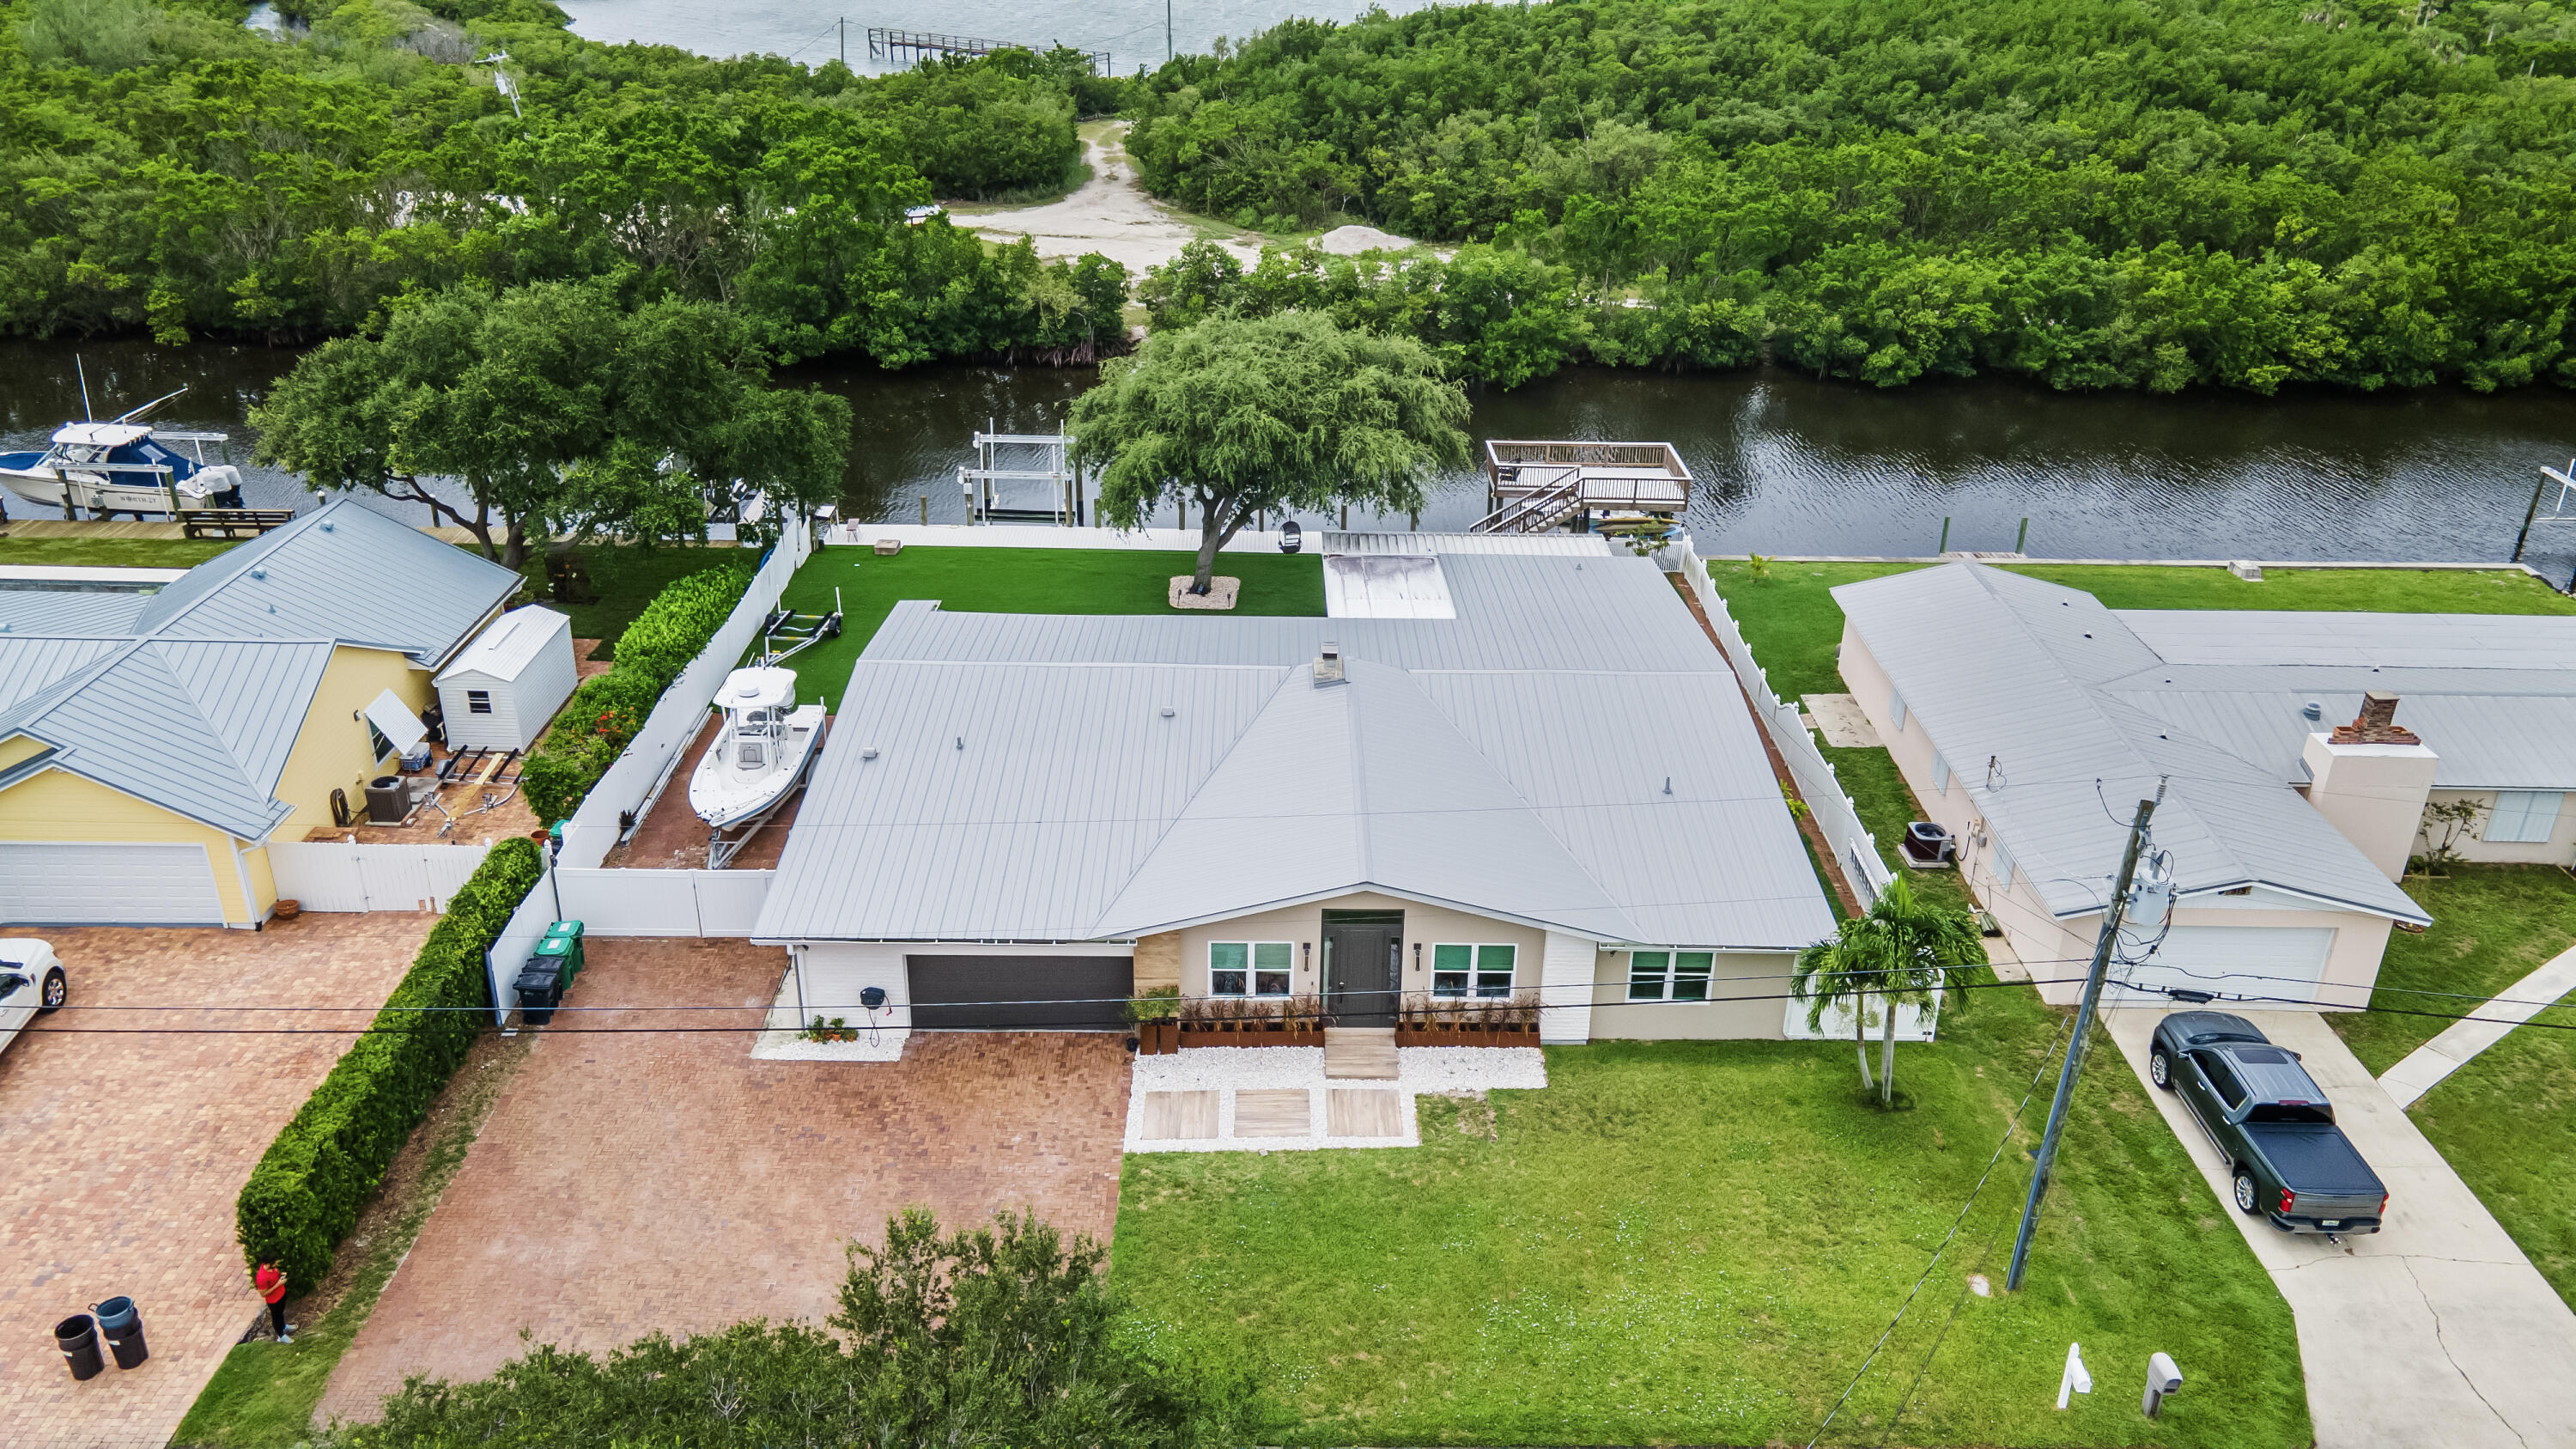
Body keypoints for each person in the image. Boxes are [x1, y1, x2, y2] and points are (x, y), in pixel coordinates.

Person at [252, 1261, 295, 1344]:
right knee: (276, 1318)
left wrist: (281, 1275)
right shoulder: (262, 1277)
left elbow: (275, 1276)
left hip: (281, 1294)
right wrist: (278, 1285)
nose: (277, 1264)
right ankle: (281, 1336)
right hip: (274, 1301)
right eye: (275, 1263)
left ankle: (284, 1327)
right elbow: (263, 1294)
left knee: (281, 1313)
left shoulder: (272, 1268)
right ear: (268, 1264)